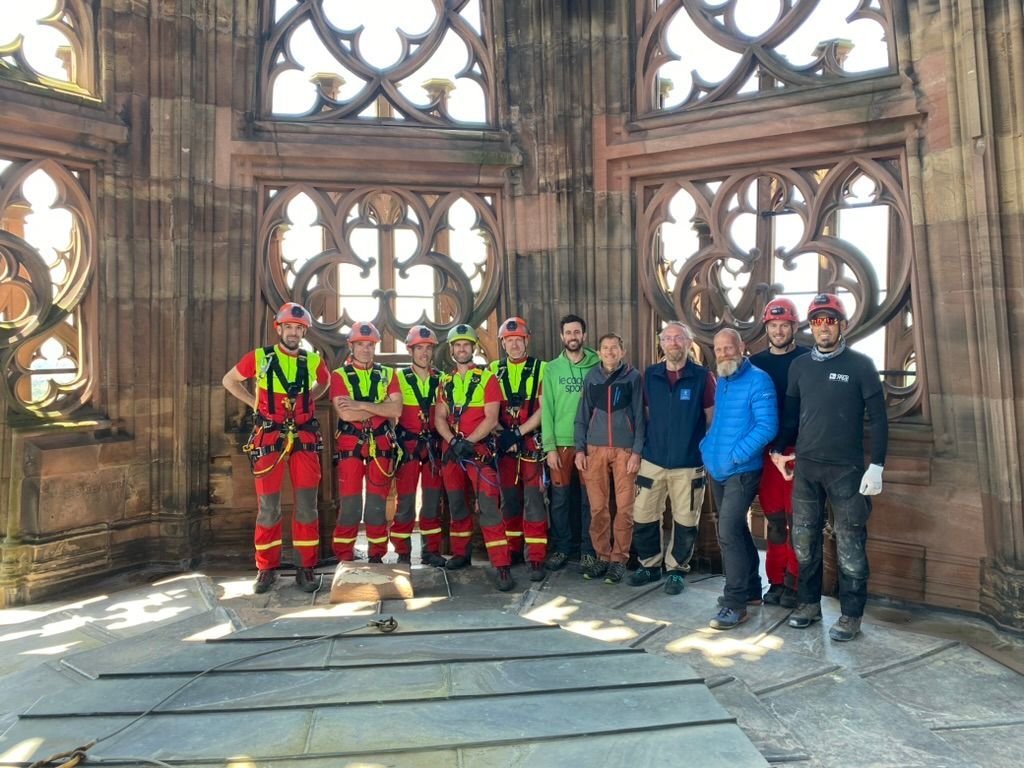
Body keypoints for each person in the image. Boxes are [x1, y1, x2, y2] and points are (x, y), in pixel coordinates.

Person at [772, 293, 888, 642]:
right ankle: (808, 604)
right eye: (818, 321)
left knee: (851, 546)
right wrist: (779, 451)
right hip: (807, 468)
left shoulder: (861, 365)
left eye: (830, 320)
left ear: (842, 325)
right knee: (804, 542)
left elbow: (880, 421)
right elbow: (792, 417)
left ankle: (851, 615)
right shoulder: (800, 367)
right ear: (811, 327)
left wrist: (877, 466)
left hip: (847, 471)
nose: (823, 327)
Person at [222, 302, 329, 594]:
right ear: (279, 328)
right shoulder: (259, 357)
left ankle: (305, 567)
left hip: (304, 439)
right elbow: (229, 380)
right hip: (268, 439)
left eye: (299, 328)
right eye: (289, 327)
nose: (293, 332)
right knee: (268, 508)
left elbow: (325, 382)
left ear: (304, 331)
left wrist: (309, 402)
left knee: (307, 506)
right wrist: (253, 403)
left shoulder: (313, 361)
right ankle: (266, 569)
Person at [630, 322, 716, 595]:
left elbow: (711, 418)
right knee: (643, 514)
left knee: (686, 519)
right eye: (667, 338)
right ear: (661, 344)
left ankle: (677, 569)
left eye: (679, 338)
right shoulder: (650, 375)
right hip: (653, 459)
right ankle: (650, 565)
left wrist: (703, 451)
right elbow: (644, 415)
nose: (673, 343)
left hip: (688, 463)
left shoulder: (703, 377)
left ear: (689, 342)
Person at [701, 328, 778, 629]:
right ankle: (752, 591)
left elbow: (767, 426)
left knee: (728, 532)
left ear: (742, 347)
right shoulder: (723, 379)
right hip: (718, 468)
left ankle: (734, 603)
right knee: (737, 531)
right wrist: (707, 448)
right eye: (719, 349)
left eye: (729, 348)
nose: (723, 353)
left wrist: (736, 455)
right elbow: (719, 421)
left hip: (742, 470)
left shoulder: (758, 379)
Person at [435, 324, 514, 591]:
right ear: (451, 350)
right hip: (452, 452)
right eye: (457, 345)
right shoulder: (445, 382)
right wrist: (453, 441)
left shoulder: (488, 378)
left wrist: (468, 442)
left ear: (474, 348)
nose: (461, 349)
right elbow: (439, 417)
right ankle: (461, 553)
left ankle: (501, 565)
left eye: (466, 345)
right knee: (457, 505)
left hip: (478, 452)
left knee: (489, 508)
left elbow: (491, 418)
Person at [750, 298, 808, 608]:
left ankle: (794, 582)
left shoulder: (808, 359)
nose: (779, 330)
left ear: (794, 327)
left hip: (799, 450)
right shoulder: (755, 363)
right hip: (767, 453)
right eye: (773, 325)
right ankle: (775, 580)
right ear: (766, 328)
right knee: (774, 521)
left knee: (797, 520)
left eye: (784, 325)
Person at [573, 333, 644, 584]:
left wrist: (637, 452)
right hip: (595, 449)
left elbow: (639, 417)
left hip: (625, 451)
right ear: (599, 352)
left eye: (614, 347)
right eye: (605, 348)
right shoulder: (591, 377)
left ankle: (619, 559)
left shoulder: (633, 377)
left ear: (622, 351)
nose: (610, 352)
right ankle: (602, 556)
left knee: (625, 509)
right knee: (598, 508)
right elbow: (582, 415)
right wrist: (579, 449)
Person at [330, 321, 402, 563]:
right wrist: (381, 409)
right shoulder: (339, 376)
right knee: (349, 503)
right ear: (352, 346)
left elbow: (397, 409)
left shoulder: (388, 374)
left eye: (370, 345)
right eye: (361, 344)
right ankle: (344, 555)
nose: (365, 349)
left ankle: (377, 554)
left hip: (380, 445)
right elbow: (346, 415)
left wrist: (360, 404)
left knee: (376, 504)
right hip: (351, 446)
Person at [490, 316, 549, 582]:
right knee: (509, 500)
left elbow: (543, 409)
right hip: (503, 444)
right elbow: (487, 409)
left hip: (529, 442)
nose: (514, 345)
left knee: (534, 502)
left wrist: (517, 433)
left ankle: (536, 556)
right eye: (509, 340)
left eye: (518, 340)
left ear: (527, 341)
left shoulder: (542, 369)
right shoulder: (493, 370)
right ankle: (512, 550)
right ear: (503, 343)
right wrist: (504, 435)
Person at [541, 314, 600, 572]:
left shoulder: (598, 364)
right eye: (568, 332)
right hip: (561, 443)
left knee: (591, 500)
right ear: (562, 336)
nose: (572, 337)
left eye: (577, 332)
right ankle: (562, 548)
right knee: (560, 500)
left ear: (584, 335)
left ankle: (589, 550)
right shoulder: (551, 368)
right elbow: (546, 409)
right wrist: (549, 446)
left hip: (590, 443)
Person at [392, 325, 446, 567]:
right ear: (409, 350)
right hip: (409, 447)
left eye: (428, 348)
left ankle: (431, 550)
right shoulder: (398, 378)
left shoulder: (442, 379)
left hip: (433, 447)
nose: (424, 352)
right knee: (405, 502)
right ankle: (403, 551)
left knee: (432, 502)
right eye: (419, 348)